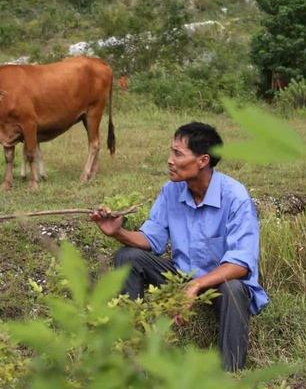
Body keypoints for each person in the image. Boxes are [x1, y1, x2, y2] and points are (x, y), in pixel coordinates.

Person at [90, 121, 268, 371]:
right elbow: (151, 239)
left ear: (203, 160)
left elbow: (240, 264)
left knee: (234, 288)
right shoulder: (171, 190)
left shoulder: (235, 196)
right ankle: (131, 351)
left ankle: (231, 371)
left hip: (218, 284)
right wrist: (118, 232)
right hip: (181, 277)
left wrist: (196, 285)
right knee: (128, 256)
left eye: (178, 153)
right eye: (171, 152)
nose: (170, 160)